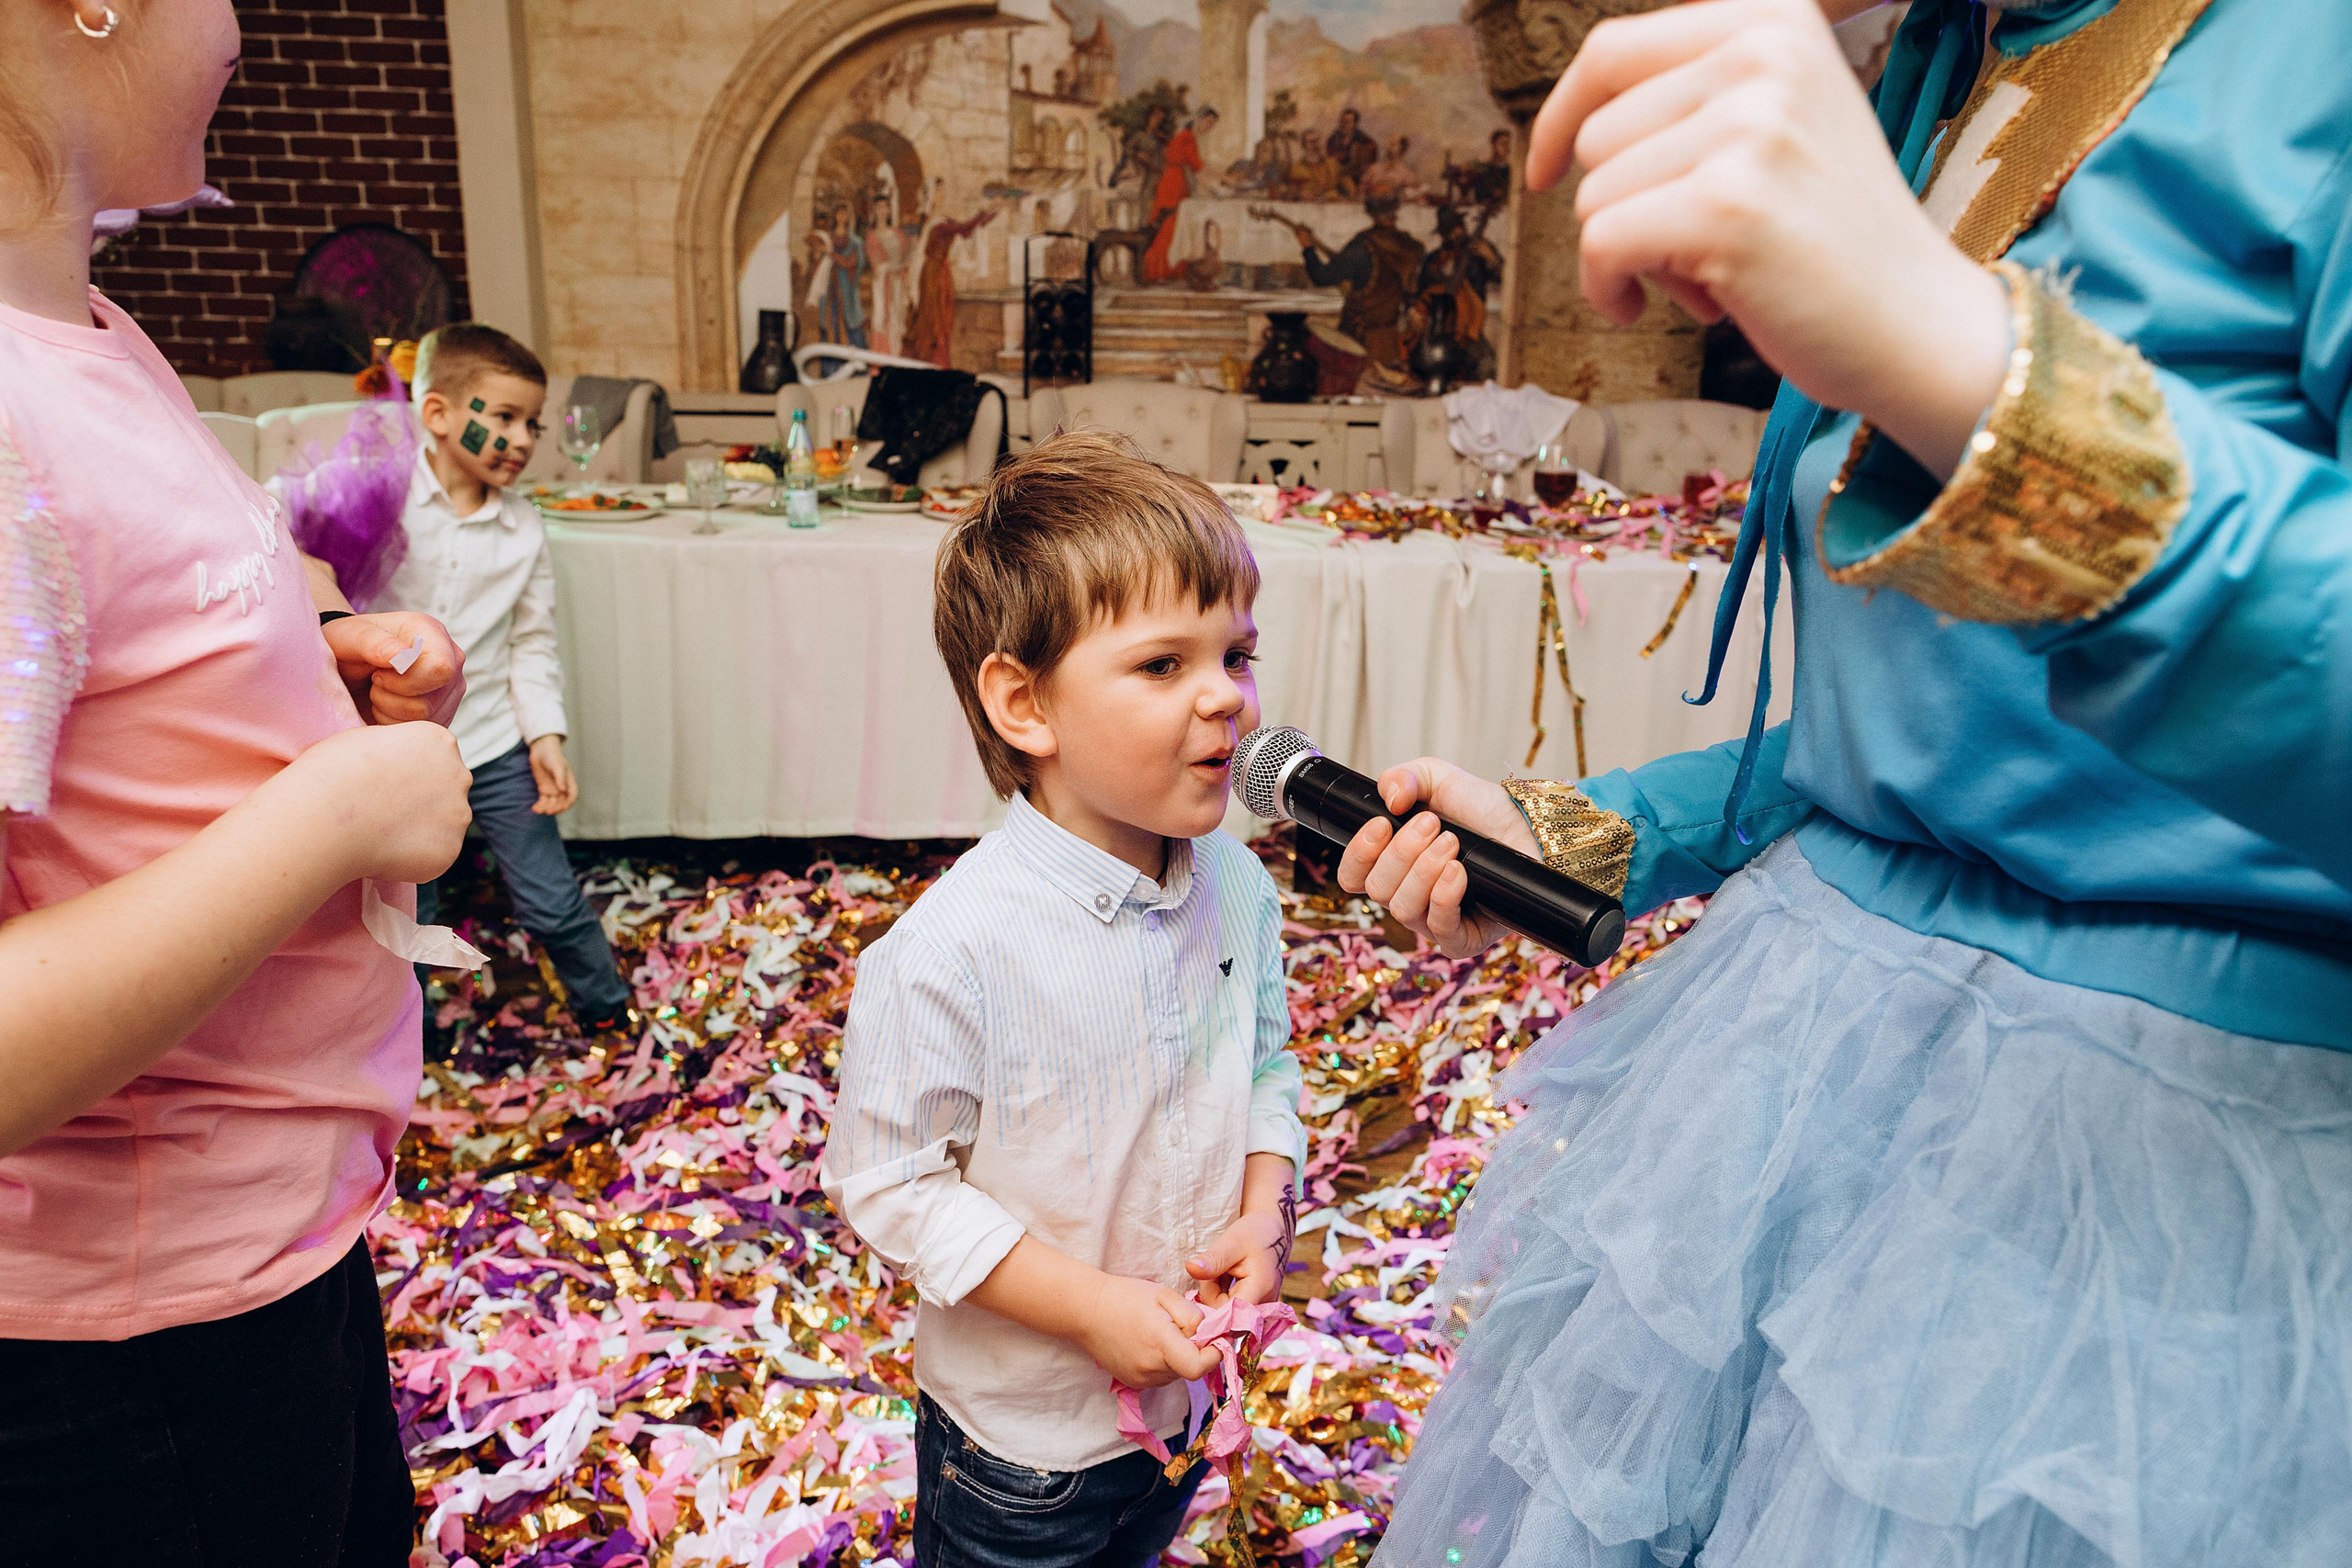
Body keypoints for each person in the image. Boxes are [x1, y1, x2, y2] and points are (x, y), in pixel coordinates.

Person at [1340, 0, 2352, 1562]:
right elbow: (1915, 728)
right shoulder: (1951, 61)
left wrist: (1979, 379)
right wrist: (1602, 833)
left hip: (2159, 1198)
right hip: (1800, 1072)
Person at [0, 0, 476, 1559]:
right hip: (121, 1366)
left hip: (265, 1263)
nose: (239, 28)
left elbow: (109, 660)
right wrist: (333, 809)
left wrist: (323, 646)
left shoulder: (88, 331)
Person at [822, 431, 1306, 1568]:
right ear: (1024, 704)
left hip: (1177, 1424)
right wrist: (1086, 1309)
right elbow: (890, 1186)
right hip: (1022, 1458)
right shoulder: (948, 949)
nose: (1224, 701)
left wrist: (1264, 1201)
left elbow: (1268, 1062)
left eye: (1235, 656)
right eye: (1160, 666)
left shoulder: (1235, 883)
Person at [375, 322, 634, 1038]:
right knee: (407, 911)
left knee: (551, 897)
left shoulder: (524, 530)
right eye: (506, 418)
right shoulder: (379, 504)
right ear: (439, 414)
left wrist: (545, 737)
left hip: (492, 742)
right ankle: (409, 1047)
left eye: (533, 424)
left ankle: (608, 1013)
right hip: (390, 752)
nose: (523, 440)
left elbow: (531, 642)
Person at [1292, 192, 1423, 378]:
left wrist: (1307, 247)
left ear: (1370, 213)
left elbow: (1321, 277)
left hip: (1357, 345)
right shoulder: (1412, 248)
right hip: (1390, 343)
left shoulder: (1361, 248)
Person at [905, 201, 997, 368]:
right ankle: (932, 362)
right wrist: (981, 214)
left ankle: (941, 363)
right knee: (934, 319)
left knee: (945, 315)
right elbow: (963, 227)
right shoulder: (938, 227)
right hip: (932, 276)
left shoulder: (946, 223)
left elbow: (966, 230)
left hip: (942, 274)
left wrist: (987, 216)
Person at [1143, 106, 1216, 284]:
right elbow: (1198, 166)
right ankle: (1158, 272)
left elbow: (1196, 167)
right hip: (1173, 185)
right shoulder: (1187, 137)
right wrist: (1220, 183)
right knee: (1168, 226)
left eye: (1212, 125)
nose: (1209, 127)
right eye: (1208, 122)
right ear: (1199, 119)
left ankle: (1168, 271)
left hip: (1176, 181)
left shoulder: (1185, 136)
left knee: (1174, 227)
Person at [1324, 107, 1379, 197]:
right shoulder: (1334, 138)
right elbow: (1330, 156)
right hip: (1338, 174)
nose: (1345, 124)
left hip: (1358, 176)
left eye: (1349, 121)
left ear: (1355, 123)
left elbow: (1372, 152)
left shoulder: (1362, 138)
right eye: (1343, 121)